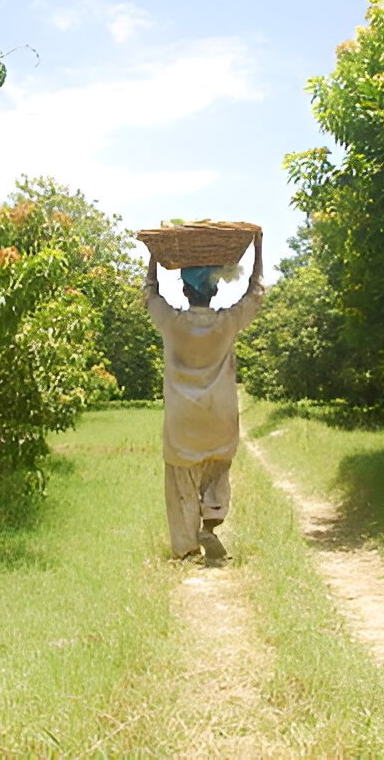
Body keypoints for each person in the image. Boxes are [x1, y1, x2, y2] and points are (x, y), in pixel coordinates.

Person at [143, 231, 264, 564]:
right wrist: (258, 247)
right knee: (216, 473)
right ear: (216, 289)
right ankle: (211, 522)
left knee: (181, 483)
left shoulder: (170, 322)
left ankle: (185, 549)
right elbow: (256, 292)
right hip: (220, 418)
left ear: (184, 290)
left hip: (182, 422)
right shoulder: (228, 322)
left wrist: (154, 253)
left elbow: (149, 292)